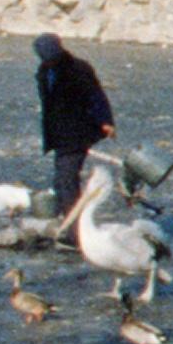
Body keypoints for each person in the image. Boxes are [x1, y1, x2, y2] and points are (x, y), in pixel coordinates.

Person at [33, 32, 114, 225]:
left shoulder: (78, 69)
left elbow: (96, 96)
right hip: (59, 134)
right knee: (62, 179)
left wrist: (106, 121)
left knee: (66, 180)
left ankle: (73, 229)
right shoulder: (44, 71)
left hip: (77, 132)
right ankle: (66, 219)